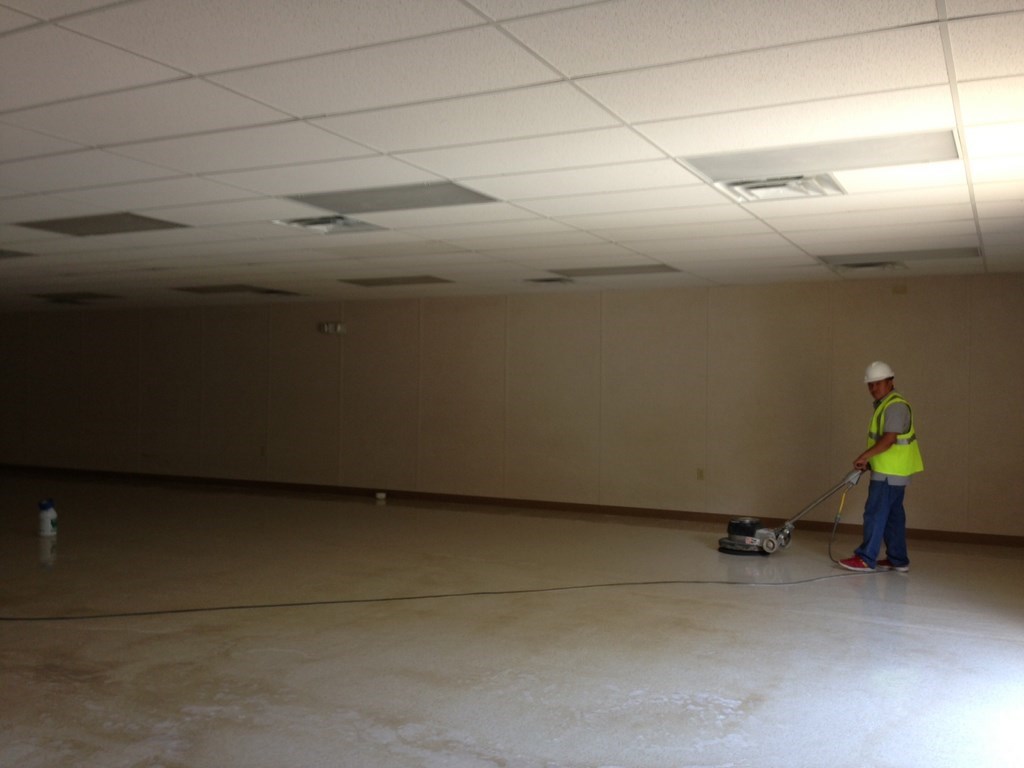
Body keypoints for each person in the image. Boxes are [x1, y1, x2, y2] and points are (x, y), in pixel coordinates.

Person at [839, 361, 924, 573]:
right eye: (870, 384)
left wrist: (864, 456)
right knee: (893, 517)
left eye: (878, 383)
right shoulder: (886, 404)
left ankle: (866, 558)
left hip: (888, 473)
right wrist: (870, 461)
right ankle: (898, 559)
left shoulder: (894, 406)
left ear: (890, 381)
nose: (873, 388)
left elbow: (889, 439)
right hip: (893, 471)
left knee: (875, 513)